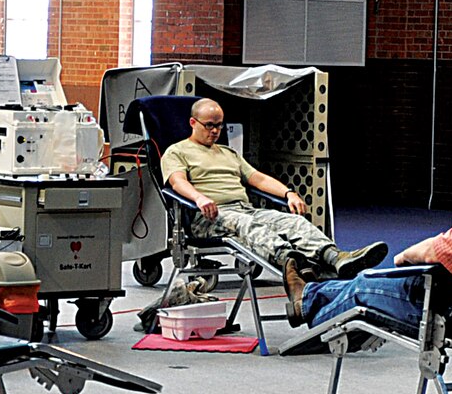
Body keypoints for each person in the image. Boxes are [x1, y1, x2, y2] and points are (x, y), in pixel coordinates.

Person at [286, 130, 452, 329]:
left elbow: (433, 252)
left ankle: (308, 308)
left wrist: (404, 257)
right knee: (361, 284)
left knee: (364, 285)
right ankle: (309, 294)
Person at [162, 98, 385, 278]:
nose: (215, 131)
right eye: (209, 125)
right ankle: (293, 263)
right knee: (246, 224)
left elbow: (258, 179)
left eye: (219, 125)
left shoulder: (228, 153)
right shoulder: (177, 151)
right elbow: (177, 182)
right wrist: (199, 198)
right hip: (209, 216)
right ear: (193, 122)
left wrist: (289, 193)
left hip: (245, 209)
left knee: (293, 222)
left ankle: (336, 259)